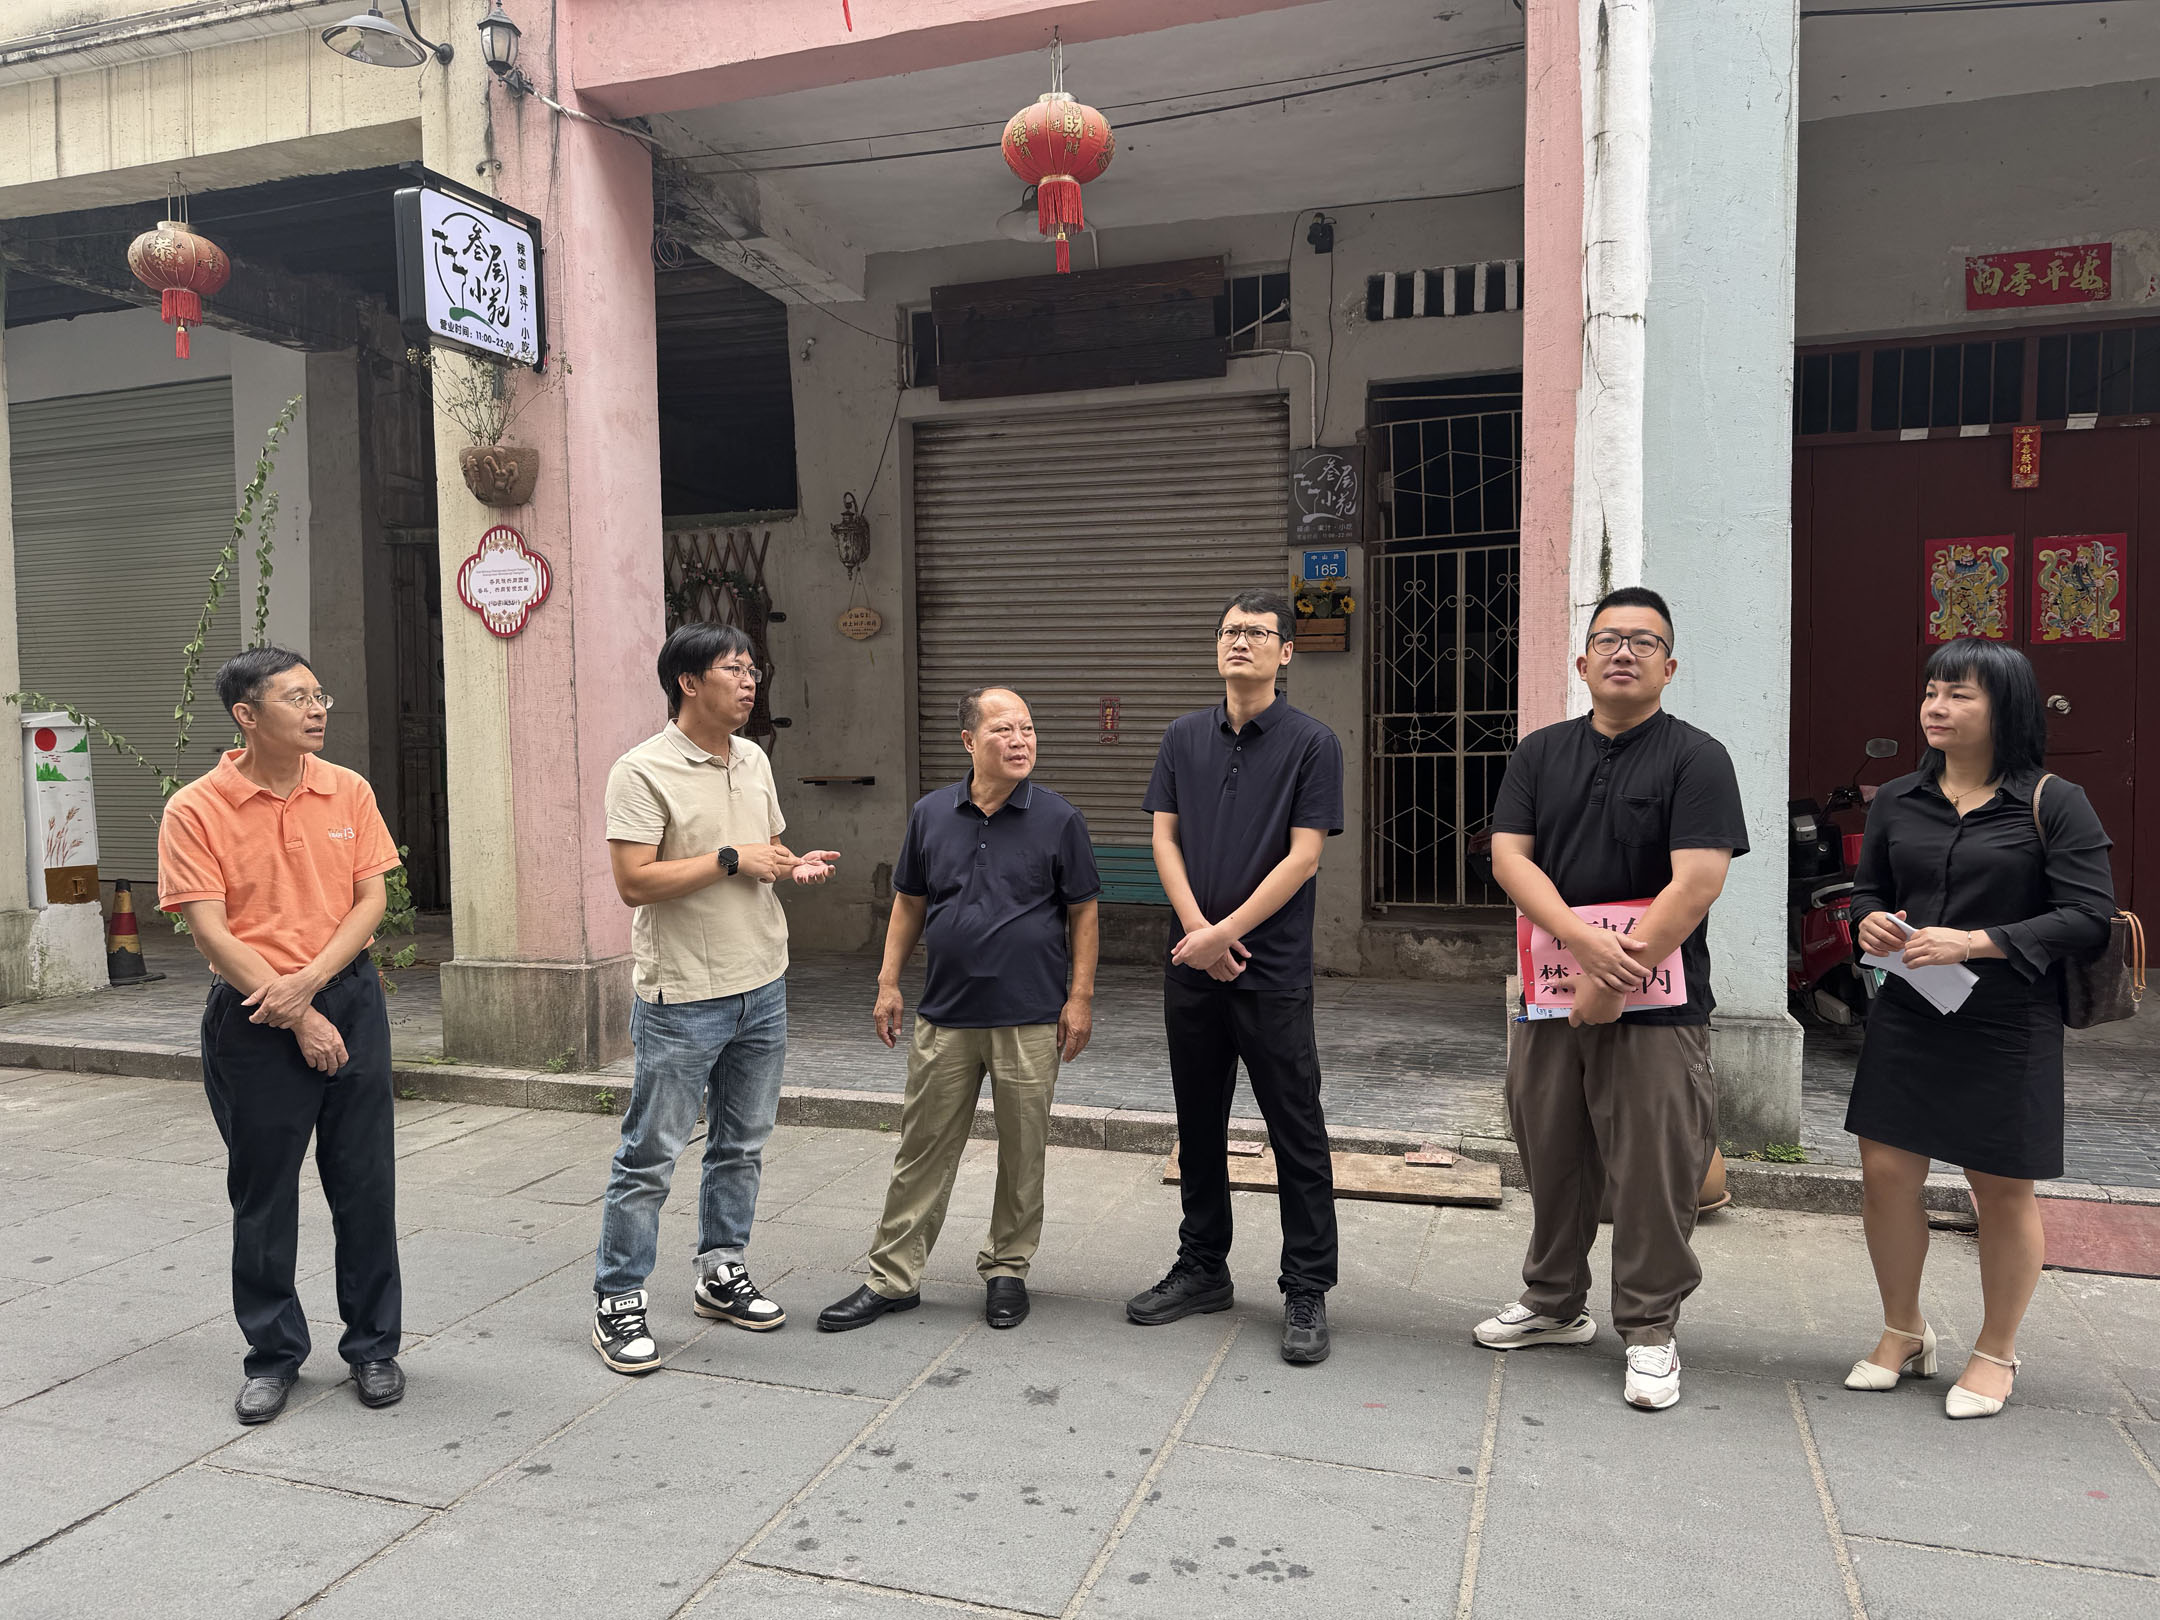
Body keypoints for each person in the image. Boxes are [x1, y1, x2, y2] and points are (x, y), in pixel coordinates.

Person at [1482, 586, 1747, 1411]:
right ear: (1581, 660)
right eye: (1608, 639)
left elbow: (1697, 881)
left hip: (1658, 1003)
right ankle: (1554, 1301)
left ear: (1670, 666)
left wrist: (1610, 978)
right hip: (1551, 990)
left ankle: (1650, 1327)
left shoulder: (1697, 758)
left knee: (1653, 1169)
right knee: (1550, 1148)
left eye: (1643, 641)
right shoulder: (1539, 754)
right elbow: (1510, 858)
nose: (1623, 652)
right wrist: (1581, 944)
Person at [1843, 637, 2114, 1419]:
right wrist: (1870, 923)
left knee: (1999, 1187)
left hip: (2007, 1021)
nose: (1937, 706)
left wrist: (1976, 942)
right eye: (1932, 690)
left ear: (2007, 708)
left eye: (1959, 694)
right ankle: (1903, 1330)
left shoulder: (2053, 801)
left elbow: (2088, 916)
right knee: (1886, 1175)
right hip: (1910, 1010)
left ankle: (1996, 1351)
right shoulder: (1899, 798)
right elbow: (1869, 891)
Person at [158, 647, 406, 1425]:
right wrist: (296, 1011)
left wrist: (314, 988)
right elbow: (210, 931)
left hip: (348, 998)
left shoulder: (347, 789)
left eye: (318, 694)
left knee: (365, 1183)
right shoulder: (196, 809)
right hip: (254, 1013)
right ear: (246, 714)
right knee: (263, 1194)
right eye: (296, 697)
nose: (317, 708)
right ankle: (272, 1355)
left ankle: (374, 1347)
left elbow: (370, 901)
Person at [590, 623, 839, 1375]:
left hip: (761, 981)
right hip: (684, 995)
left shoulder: (754, 758)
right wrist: (732, 858)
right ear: (689, 682)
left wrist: (789, 866)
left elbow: (762, 853)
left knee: (742, 1143)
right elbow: (634, 881)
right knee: (650, 1154)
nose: (750, 681)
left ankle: (721, 1271)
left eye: (753, 668)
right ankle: (618, 1297)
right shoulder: (642, 770)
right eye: (734, 669)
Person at [819, 688, 1100, 1334]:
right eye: (1004, 730)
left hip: (1029, 1014)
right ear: (969, 742)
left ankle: (1007, 1269)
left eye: (1028, 728)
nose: (1021, 740)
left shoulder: (1060, 818)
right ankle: (892, 1277)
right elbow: (909, 902)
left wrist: (1080, 997)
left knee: (1023, 1152)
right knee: (922, 1148)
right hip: (944, 1013)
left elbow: (1084, 912)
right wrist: (888, 982)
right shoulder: (930, 815)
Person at [1126, 589, 1346, 1366]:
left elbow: (1305, 856)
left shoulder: (1313, 743)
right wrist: (1199, 932)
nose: (1239, 641)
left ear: (1286, 652)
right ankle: (1202, 1267)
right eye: (1229, 630)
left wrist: (1227, 934)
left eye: (1256, 632)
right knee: (1197, 1123)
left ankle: (1306, 1285)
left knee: (1295, 1128)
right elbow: (1165, 840)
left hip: (1270, 971)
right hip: (1193, 967)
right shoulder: (1183, 736)